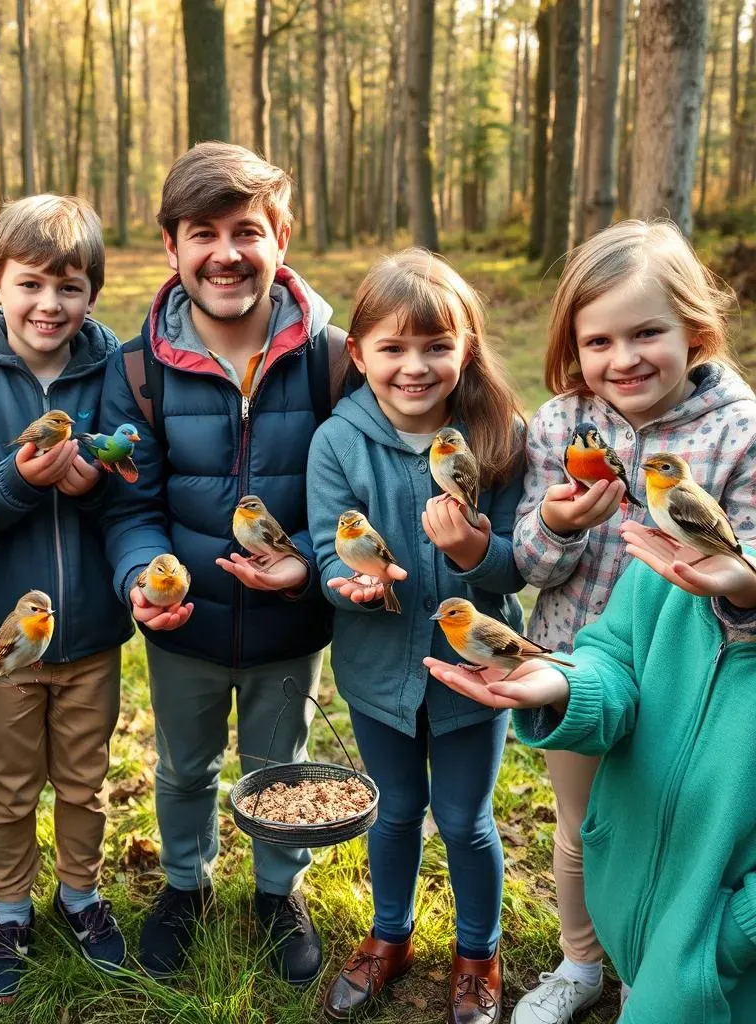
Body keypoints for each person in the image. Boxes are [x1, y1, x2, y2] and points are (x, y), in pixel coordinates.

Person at [97, 142, 340, 986]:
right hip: (185, 624)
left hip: (290, 624)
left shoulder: (332, 361)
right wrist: (143, 575)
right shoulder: (137, 369)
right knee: (183, 766)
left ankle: (278, 891)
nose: (226, 254)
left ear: (281, 236)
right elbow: (130, 505)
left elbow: (358, 501)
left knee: (280, 766)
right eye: (203, 233)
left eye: (247, 231)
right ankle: (184, 884)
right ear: (172, 247)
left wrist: (305, 564)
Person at [509, 219, 756, 1024]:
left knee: (680, 830)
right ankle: (583, 963)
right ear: (574, 347)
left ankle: (666, 969)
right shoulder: (559, 426)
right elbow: (530, 566)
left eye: (648, 332)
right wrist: (560, 524)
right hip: (576, 661)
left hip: (696, 688)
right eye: (599, 341)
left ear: (694, 327)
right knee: (586, 828)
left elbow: (748, 567)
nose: (625, 359)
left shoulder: (738, 430)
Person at [306, 249, 525, 1023]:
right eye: (393, 348)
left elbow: (517, 566)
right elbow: (330, 548)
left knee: (465, 818)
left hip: (477, 677)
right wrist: (353, 582)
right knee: (395, 810)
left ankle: (477, 953)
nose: (414, 366)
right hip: (376, 673)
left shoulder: (496, 434)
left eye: (435, 346)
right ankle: (389, 937)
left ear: (465, 348)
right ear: (358, 353)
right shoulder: (336, 441)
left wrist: (473, 552)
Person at [425, 519, 756, 1024]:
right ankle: (608, 974)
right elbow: (613, 661)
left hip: (724, 951)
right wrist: (566, 686)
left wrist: (734, 935)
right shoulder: (656, 577)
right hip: (632, 909)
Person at [0, 194, 133, 1001]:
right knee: (10, 785)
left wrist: (90, 487)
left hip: (91, 639)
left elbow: (127, 495)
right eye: (32, 284)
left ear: (92, 294)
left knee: (85, 780)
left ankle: (80, 896)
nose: (50, 304)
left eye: (71, 287)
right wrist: (17, 480)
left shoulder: (110, 374)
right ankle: (10, 909)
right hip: (0, 638)